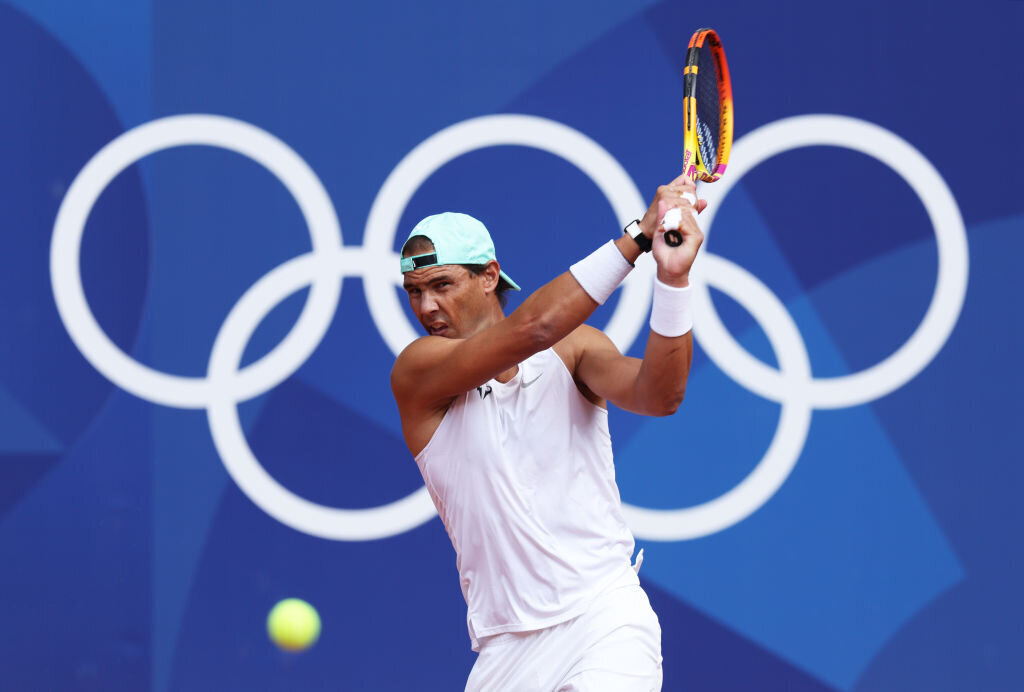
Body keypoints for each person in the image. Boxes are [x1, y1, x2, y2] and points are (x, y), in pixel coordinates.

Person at [390, 174, 705, 691]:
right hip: (504, 649)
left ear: (489, 276)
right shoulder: (418, 370)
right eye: (414, 292)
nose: (426, 307)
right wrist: (637, 237)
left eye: (442, 286)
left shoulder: (575, 349)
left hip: (604, 616)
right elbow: (532, 329)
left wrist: (672, 280)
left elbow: (660, 396)